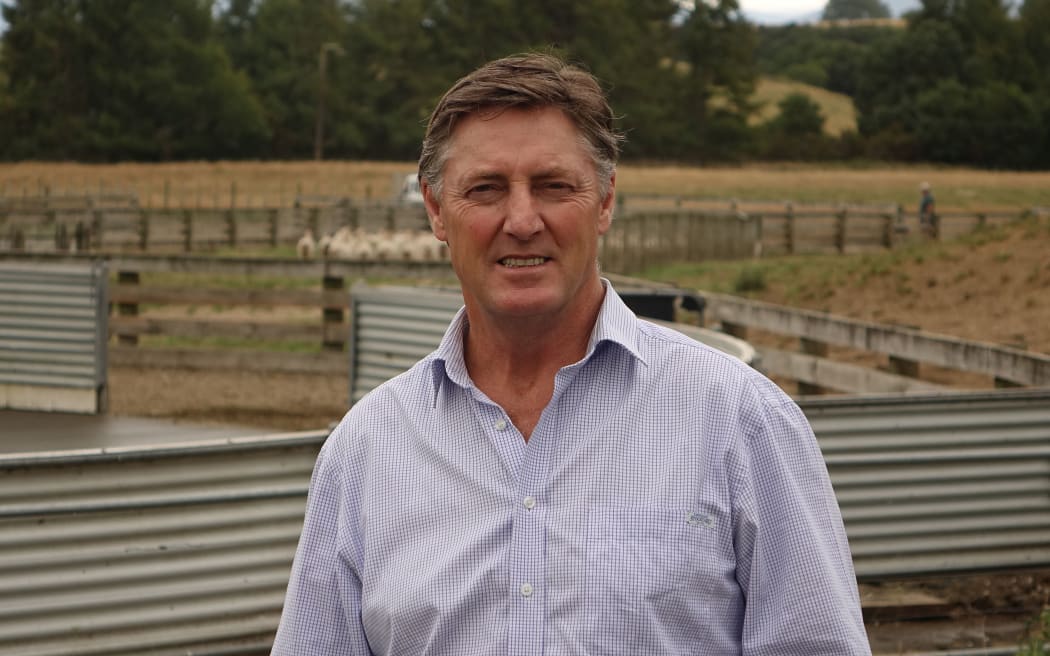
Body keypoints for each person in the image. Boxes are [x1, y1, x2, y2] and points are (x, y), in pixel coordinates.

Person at [272, 52, 871, 655]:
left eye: (555, 186)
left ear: (606, 201)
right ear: (435, 210)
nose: (523, 220)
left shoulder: (740, 420)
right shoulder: (367, 450)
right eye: (485, 190)